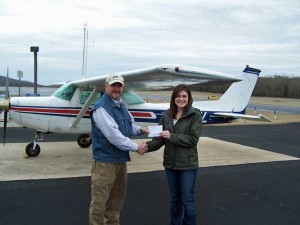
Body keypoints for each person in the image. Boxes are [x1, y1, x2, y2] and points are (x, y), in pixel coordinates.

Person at [89, 74, 148, 225]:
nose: (116, 88)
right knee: (99, 204)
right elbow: (114, 136)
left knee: (116, 201)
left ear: (122, 88)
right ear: (106, 86)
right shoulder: (101, 108)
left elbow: (128, 127)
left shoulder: (121, 106)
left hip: (120, 161)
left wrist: (141, 130)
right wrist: (136, 147)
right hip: (105, 164)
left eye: (119, 86)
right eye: (113, 85)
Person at [146, 84, 202, 225]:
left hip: (187, 165)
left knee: (188, 200)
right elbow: (159, 139)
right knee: (175, 200)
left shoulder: (195, 115)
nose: (181, 99)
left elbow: (193, 140)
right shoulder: (166, 115)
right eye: (178, 96)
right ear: (173, 98)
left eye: (184, 96)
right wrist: (146, 147)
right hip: (170, 165)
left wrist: (172, 136)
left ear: (189, 98)